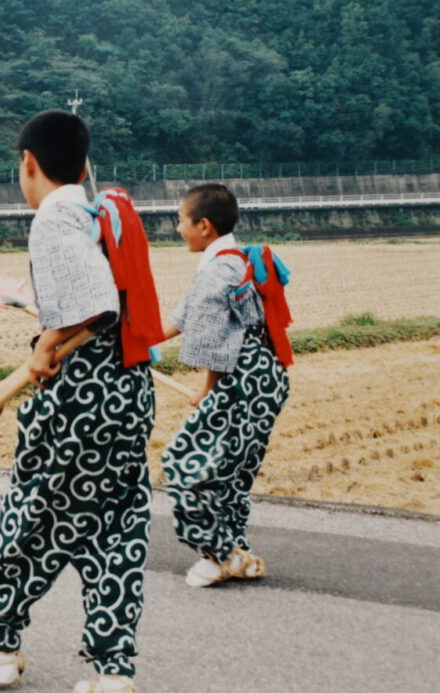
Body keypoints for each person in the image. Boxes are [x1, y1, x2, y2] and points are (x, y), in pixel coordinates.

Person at [0, 111, 163, 693]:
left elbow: (91, 306)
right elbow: (99, 318)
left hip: (76, 404)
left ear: (28, 164)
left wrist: (41, 345)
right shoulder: (96, 213)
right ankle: (114, 672)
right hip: (126, 395)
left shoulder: (54, 216)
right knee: (115, 530)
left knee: (31, 517)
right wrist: (9, 383)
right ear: (85, 166)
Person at [159, 183, 291, 588]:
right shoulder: (230, 258)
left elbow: (211, 340)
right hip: (264, 377)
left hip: (243, 379)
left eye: (181, 220)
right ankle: (234, 554)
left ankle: (221, 552)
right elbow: (184, 317)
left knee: (182, 464)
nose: (176, 228)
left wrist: (208, 389)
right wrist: (130, 344)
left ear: (203, 225)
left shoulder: (219, 267)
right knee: (230, 474)